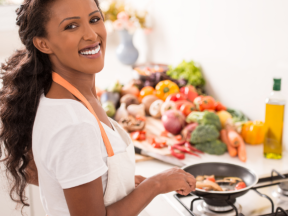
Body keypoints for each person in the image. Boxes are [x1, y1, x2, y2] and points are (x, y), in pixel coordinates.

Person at [0, 0, 196, 215]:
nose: (92, 35)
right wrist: (156, 184)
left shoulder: (66, 93)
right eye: (71, 26)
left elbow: (62, 173)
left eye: (94, 19)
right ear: (43, 43)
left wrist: (118, 182)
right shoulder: (74, 124)